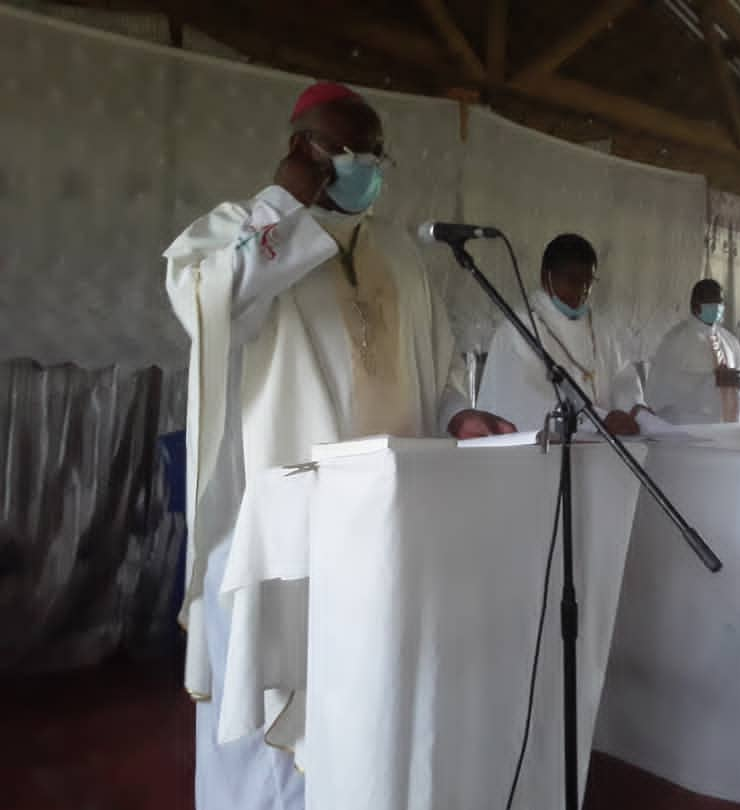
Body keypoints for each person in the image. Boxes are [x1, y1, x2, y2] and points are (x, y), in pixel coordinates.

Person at [163, 82, 514, 810]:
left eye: (379, 155)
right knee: (267, 729)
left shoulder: (401, 253)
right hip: (280, 533)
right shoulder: (242, 232)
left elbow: (441, 364)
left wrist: (458, 414)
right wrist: (283, 205)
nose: (373, 170)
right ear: (305, 151)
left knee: (366, 708)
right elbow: (213, 303)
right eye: (358, 154)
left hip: (383, 529)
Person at [477, 233, 647, 434]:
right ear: (546, 277)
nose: (582, 291)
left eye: (589, 282)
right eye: (573, 281)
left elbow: (623, 379)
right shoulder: (519, 330)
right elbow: (522, 404)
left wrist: (633, 409)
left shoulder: (602, 329)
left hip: (602, 450)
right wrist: (596, 422)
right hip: (546, 453)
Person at [644, 279, 740, 424]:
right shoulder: (676, 340)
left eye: (720, 302)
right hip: (691, 427)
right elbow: (663, 385)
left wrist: (736, 379)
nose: (717, 307)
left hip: (730, 426)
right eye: (711, 301)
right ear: (695, 305)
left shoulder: (728, 339)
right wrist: (712, 382)